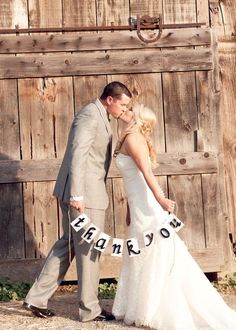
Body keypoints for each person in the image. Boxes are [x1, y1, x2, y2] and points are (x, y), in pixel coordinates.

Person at [112, 103, 236, 330]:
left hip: (148, 206)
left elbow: (146, 173)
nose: (125, 112)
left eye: (130, 111)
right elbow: (133, 180)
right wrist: (129, 209)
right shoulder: (129, 138)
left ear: (137, 120)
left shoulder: (133, 139)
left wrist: (160, 200)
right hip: (138, 205)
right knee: (141, 251)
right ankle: (141, 305)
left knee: (155, 251)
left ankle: (159, 306)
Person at [23, 81, 133, 322]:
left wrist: (129, 120)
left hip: (82, 193)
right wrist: (77, 195)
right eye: (123, 106)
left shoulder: (100, 114)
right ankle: (89, 310)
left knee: (69, 244)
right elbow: (77, 153)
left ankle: (36, 298)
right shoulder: (89, 115)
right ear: (110, 100)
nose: (124, 110)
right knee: (89, 249)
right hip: (84, 195)